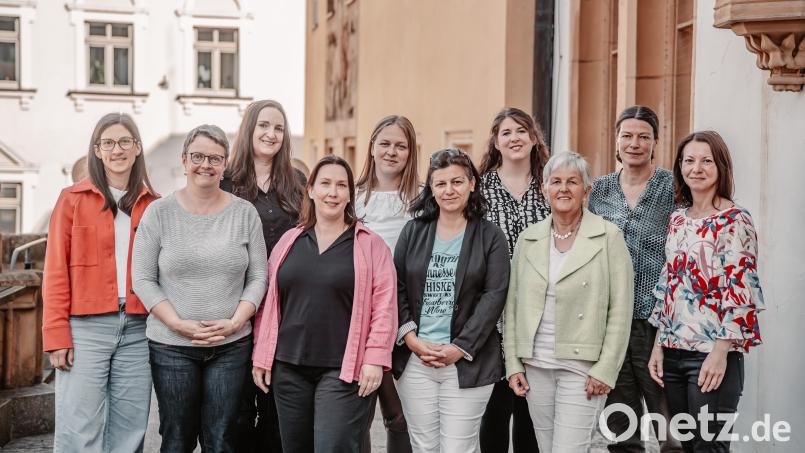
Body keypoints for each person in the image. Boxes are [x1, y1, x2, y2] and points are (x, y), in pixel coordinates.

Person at [132, 124, 268, 452]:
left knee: (222, 439)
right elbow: (142, 279)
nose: (205, 164)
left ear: (225, 165)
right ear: (184, 160)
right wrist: (177, 324)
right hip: (171, 346)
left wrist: (236, 322)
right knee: (177, 438)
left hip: (231, 345)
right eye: (197, 156)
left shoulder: (244, 213)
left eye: (214, 158)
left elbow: (258, 277)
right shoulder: (159, 213)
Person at [251, 155, 398, 453]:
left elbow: (385, 307)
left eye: (341, 185)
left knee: (333, 447)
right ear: (311, 190)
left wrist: (375, 359)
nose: (333, 192)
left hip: (344, 370)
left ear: (349, 195)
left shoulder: (370, 245)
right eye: (326, 184)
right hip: (288, 368)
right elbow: (269, 303)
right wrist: (262, 355)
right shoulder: (289, 241)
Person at [504, 151, 634, 452]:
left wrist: (606, 368)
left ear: (586, 190)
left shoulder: (608, 237)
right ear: (544, 189)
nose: (564, 188)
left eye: (572, 182)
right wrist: (514, 363)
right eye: (556, 181)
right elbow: (512, 308)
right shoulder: (529, 239)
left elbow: (621, 309)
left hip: (582, 367)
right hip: (536, 364)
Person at [43, 113, 156, 453]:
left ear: (137, 148)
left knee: (131, 430)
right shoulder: (72, 199)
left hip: (139, 329)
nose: (116, 149)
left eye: (125, 141)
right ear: (97, 150)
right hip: (85, 329)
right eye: (108, 143)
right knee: (79, 430)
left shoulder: (155, 205)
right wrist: (56, 335)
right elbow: (55, 271)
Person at [648, 131, 764, 452]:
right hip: (672, 353)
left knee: (709, 448)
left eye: (706, 161)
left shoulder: (735, 221)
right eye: (689, 160)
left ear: (721, 167)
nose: (696, 168)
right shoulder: (677, 220)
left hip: (712, 355)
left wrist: (720, 351)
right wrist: (659, 345)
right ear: (680, 167)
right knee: (685, 447)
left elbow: (742, 292)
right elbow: (668, 285)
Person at [393, 148, 510, 453]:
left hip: (468, 362)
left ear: (472, 183)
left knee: (459, 447)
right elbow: (398, 286)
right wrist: (411, 339)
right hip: (417, 360)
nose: (449, 190)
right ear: (431, 189)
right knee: (423, 447)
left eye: (457, 182)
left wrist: (460, 347)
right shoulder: (413, 231)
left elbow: (494, 296)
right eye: (441, 183)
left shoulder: (491, 237)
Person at [588, 105, 681, 453]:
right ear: (616, 140)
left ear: (655, 141)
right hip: (611, 323)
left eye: (643, 136)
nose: (634, 143)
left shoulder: (673, 187)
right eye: (627, 135)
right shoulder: (599, 190)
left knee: (669, 424)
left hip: (656, 323)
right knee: (620, 426)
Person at [223, 99, 305, 453]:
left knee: (278, 414)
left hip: (286, 312)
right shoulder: (227, 182)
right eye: (264, 126)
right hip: (236, 310)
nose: (271, 134)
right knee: (236, 414)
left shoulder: (297, 182)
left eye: (279, 128)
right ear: (250, 129)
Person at [478, 107, 549, 453]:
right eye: (506, 132)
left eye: (522, 131)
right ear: (496, 141)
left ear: (534, 139)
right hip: (494, 313)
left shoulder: (551, 186)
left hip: (540, 312)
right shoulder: (478, 190)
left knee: (530, 412)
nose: (515, 138)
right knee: (495, 408)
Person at [355, 115, 420, 453]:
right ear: (372, 147)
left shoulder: (423, 200)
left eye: (401, 145)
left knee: (399, 416)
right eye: (385, 143)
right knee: (356, 413)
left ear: (410, 152)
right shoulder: (353, 198)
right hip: (357, 318)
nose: (392, 151)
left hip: (405, 317)